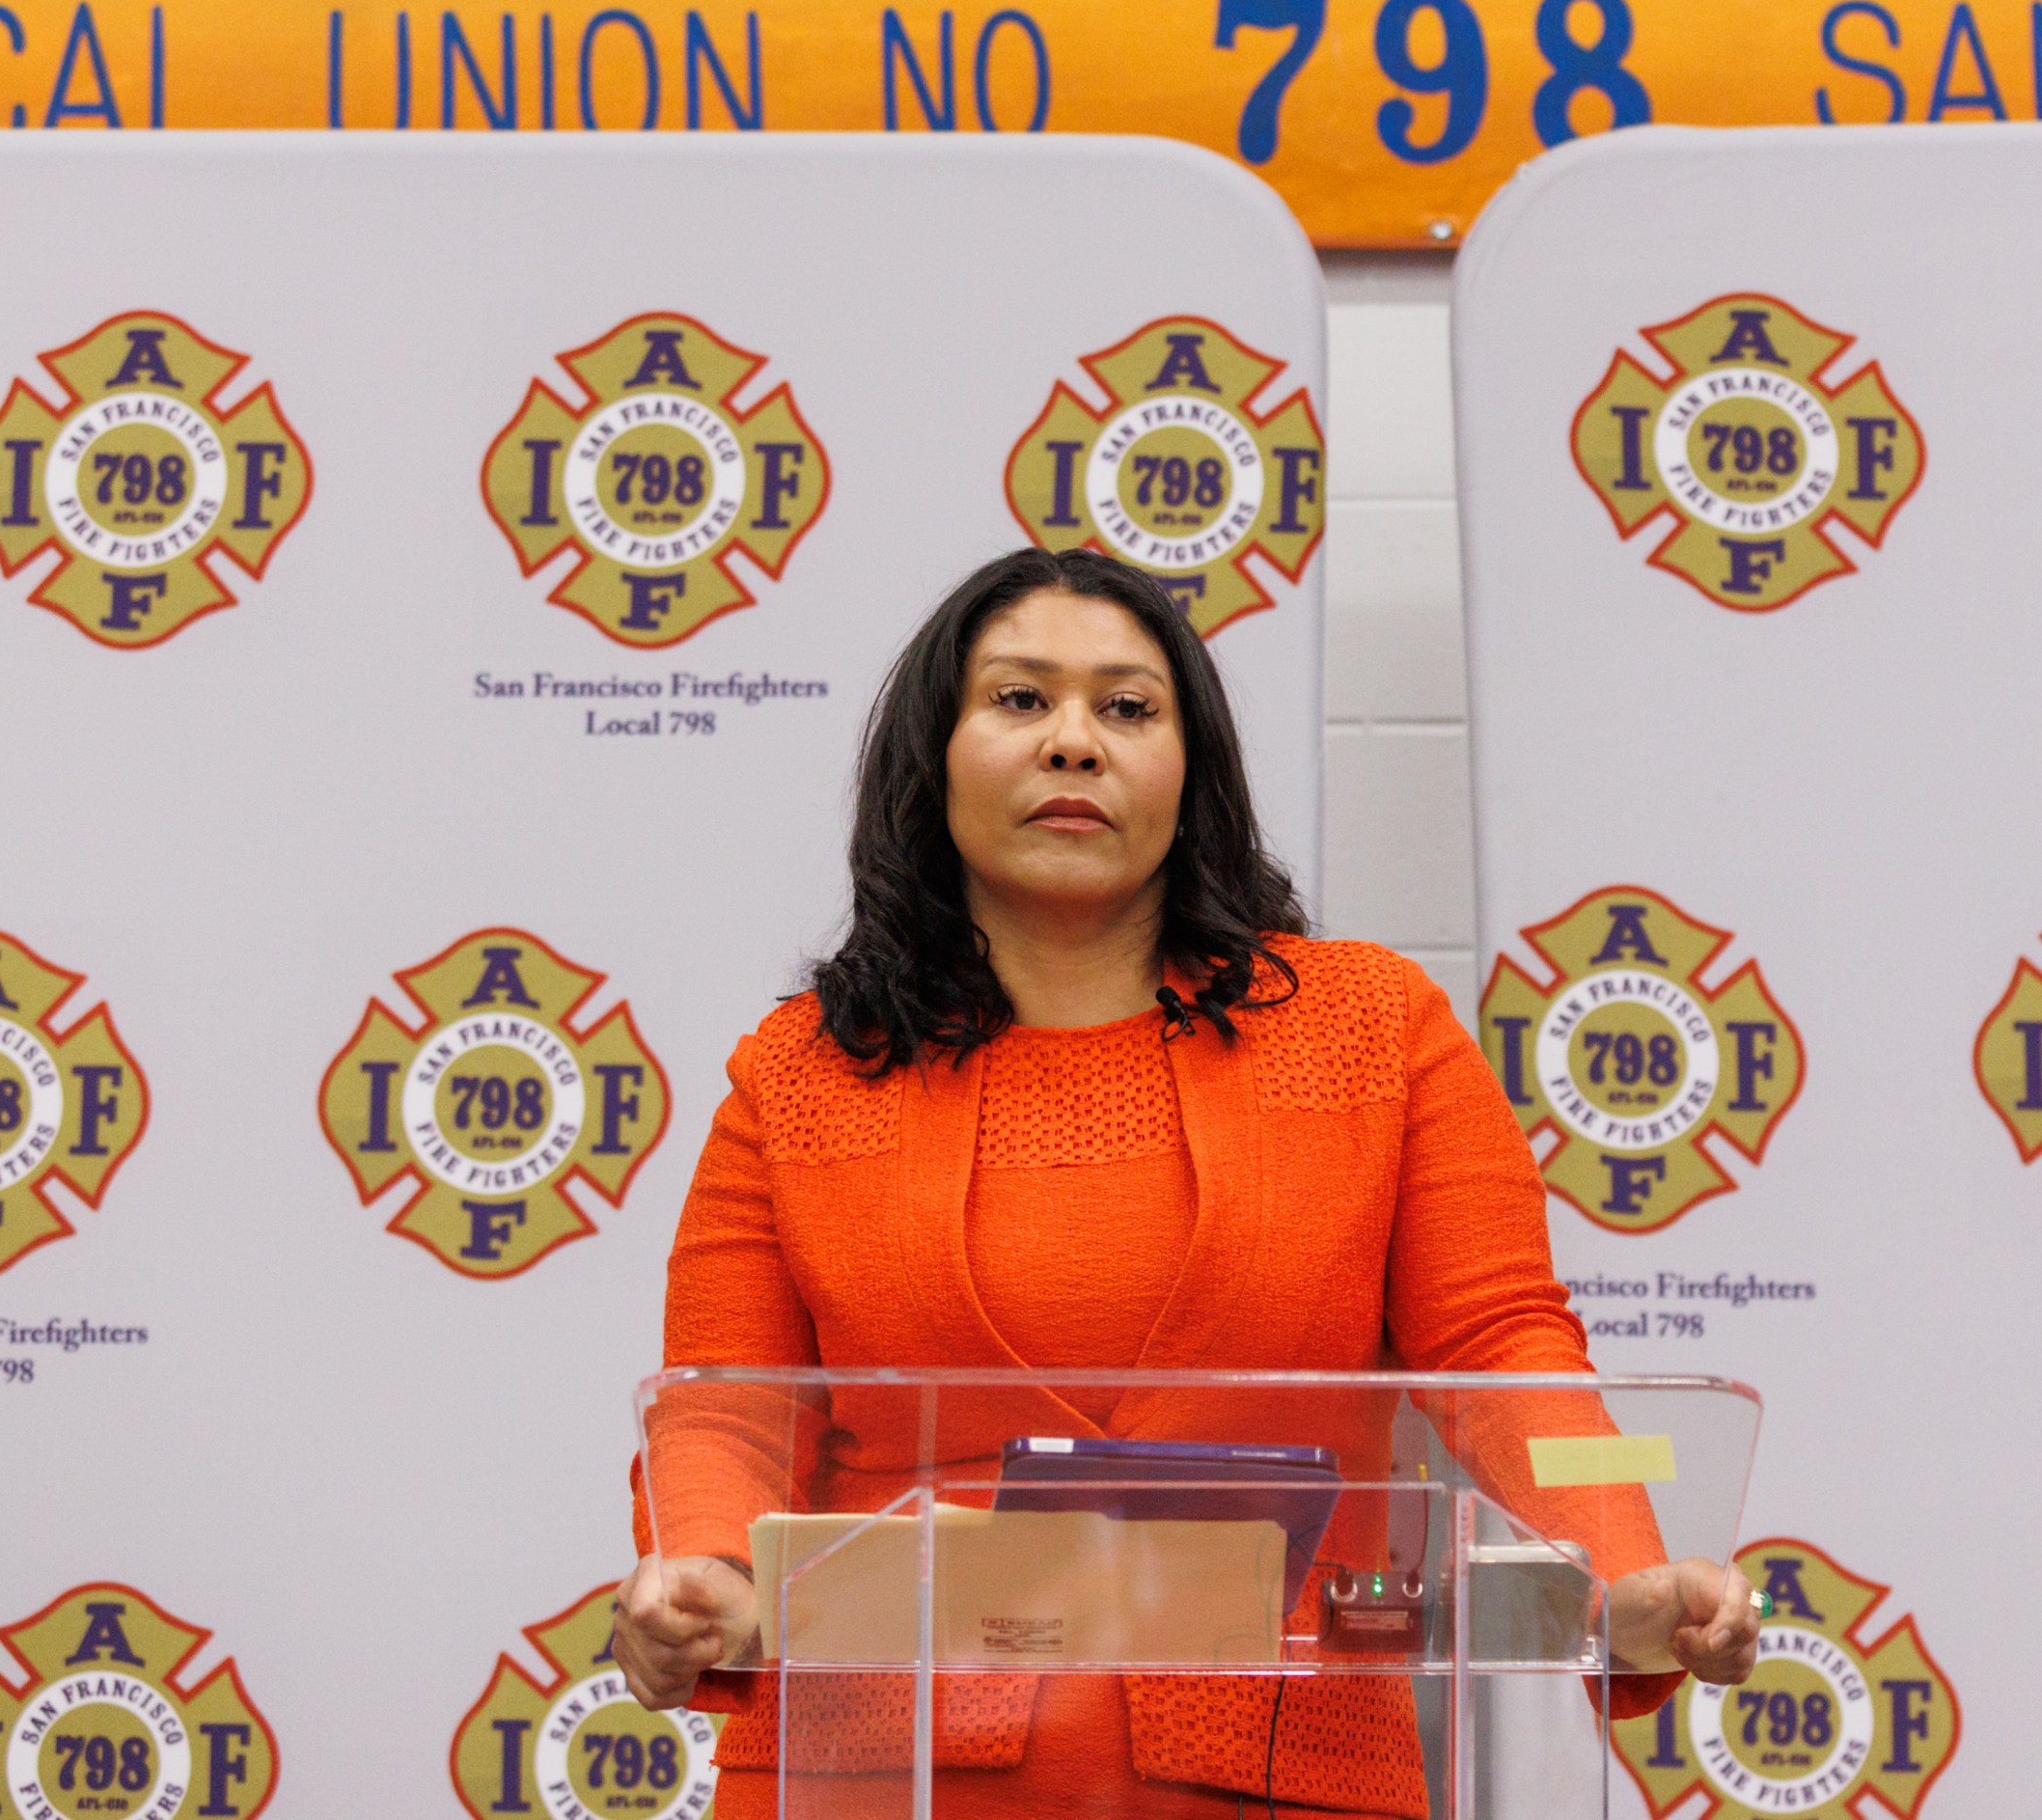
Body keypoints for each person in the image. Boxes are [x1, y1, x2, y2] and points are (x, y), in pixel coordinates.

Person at [612, 544, 1759, 1814]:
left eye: (1126, 707)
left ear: (1189, 766)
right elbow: (728, 1404)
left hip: (1291, 1768)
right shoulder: (804, 1070)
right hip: (874, 1771)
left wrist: (1624, 1564)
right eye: (1017, 700)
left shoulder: (1375, 1026)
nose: (1071, 742)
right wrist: (702, 1569)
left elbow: (1504, 1352)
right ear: (929, 761)